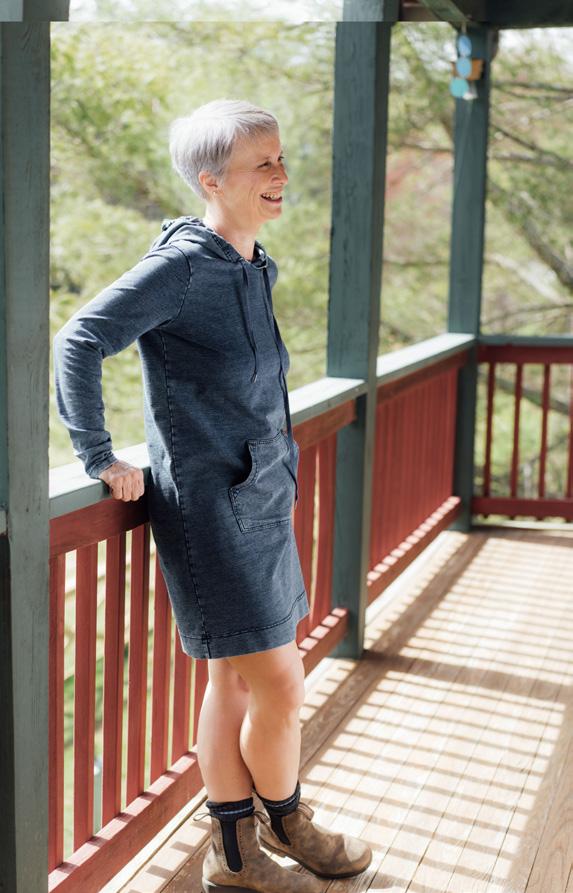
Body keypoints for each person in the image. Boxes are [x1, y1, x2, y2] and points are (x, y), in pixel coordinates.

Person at [53, 98, 372, 892]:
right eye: (261, 162)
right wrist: (99, 455)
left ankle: (236, 854)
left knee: (233, 679)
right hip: (211, 511)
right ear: (210, 180)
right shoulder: (182, 267)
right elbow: (79, 338)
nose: (280, 173)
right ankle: (282, 824)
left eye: (280, 157)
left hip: (262, 498)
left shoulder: (250, 261)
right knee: (281, 682)